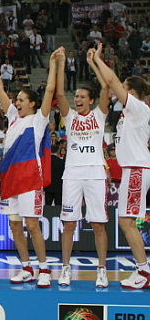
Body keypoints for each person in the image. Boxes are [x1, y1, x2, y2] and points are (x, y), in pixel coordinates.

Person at [0, 47, 60, 288]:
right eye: (17, 100)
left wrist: (53, 64)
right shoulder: (13, 118)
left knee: (32, 225)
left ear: (32, 103)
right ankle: (26, 267)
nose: (17, 102)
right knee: (15, 225)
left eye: (22, 100)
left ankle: (44, 269)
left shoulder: (38, 120)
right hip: (10, 180)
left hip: (30, 179)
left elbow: (50, 90)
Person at [90, 48, 150, 289]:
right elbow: (109, 84)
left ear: (131, 92)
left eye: (124, 88)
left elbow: (113, 81)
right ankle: (143, 269)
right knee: (127, 221)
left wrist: (98, 58)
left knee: (127, 222)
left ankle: (144, 271)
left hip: (136, 169)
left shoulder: (138, 107)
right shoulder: (130, 111)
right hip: (133, 169)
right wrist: (93, 64)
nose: (119, 92)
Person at [56, 45, 110, 287]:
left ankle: (102, 270)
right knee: (69, 224)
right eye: (76, 96)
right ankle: (65, 268)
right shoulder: (70, 117)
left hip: (95, 173)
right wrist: (60, 64)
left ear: (91, 100)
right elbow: (59, 93)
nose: (77, 99)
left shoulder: (99, 115)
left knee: (98, 224)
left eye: (81, 97)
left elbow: (106, 87)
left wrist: (93, 62)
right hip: (73, 174)